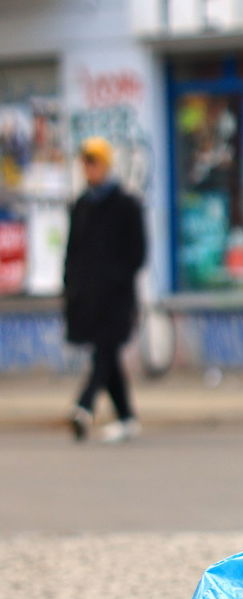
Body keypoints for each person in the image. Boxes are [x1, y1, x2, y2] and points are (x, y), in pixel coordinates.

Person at [63, 136, 146, 443]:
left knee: (105, 352)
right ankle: (126, 417)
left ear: (106, 165)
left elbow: (138, 252)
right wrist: (70, 289)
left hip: (116, 298)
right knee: (106, 356)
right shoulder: (82, 205)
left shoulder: (126, 204)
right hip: (87, 299)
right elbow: (72, 253)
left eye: (93, 162)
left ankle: (84, 406)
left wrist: (116, 280)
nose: (88, 169)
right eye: (85, 162)